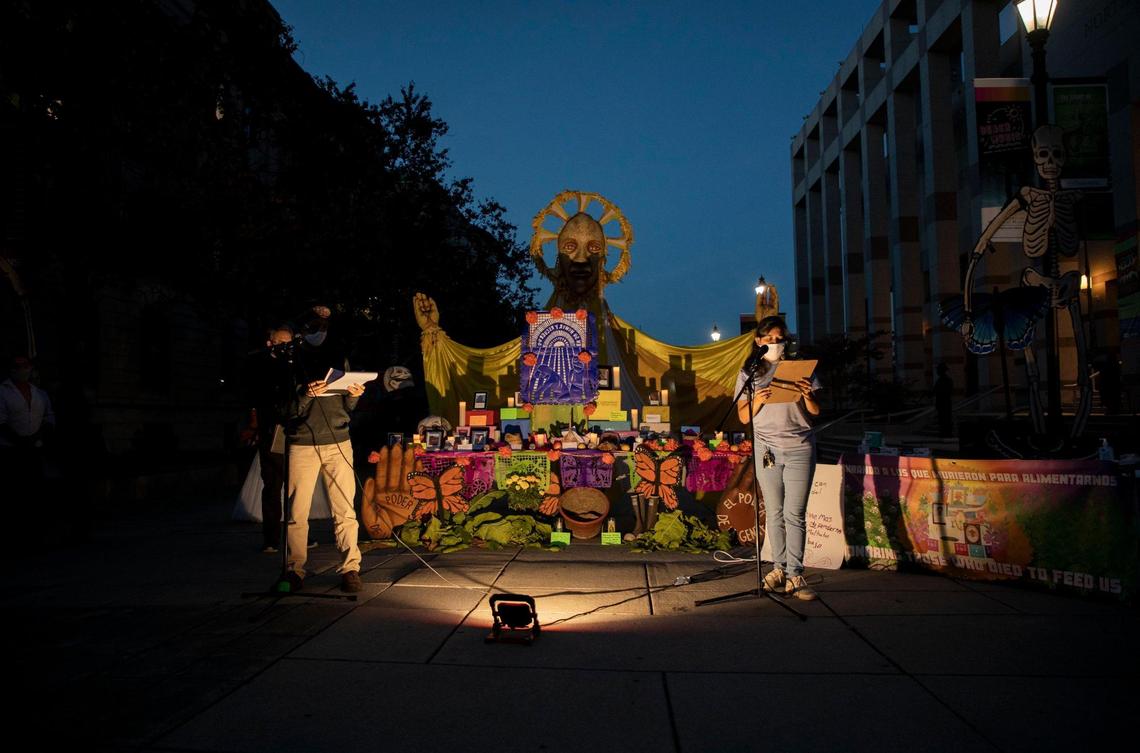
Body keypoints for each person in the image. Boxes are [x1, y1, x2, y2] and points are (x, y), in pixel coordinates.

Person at [735, 317, 821, 601]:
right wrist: (758, 398)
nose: (775, 344)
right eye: (769, 339)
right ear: (758, 341)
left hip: (799, 446)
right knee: (773, 512)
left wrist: (808, 395)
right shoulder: (749, 372)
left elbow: (816, 411)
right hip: (766, 447)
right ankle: (778, 568)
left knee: (794, 513)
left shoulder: (799, 369)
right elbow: (744, 416)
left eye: (779, 339)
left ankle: (796, 574)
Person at [281, 305, 365, 593]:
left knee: (345, 510)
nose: (321, 332)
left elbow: (347, 405)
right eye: (315, 327)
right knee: (296, 512)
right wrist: (306, 395)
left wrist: (354, 395)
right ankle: (294, 570)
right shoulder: (292, 361)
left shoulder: (338, 358)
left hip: (339, 441)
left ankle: (351, 568)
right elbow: (285, 410)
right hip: (302, 444)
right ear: (304, 329)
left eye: (325, 327)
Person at [242, 324, 297, 553]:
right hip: (270, 428)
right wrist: (254, 423)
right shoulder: (259, 364)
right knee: (273, 484)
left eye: (289, 343)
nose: (285, 347)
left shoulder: (295, 364)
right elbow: (252, 395)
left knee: (297, 485)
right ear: (270, 342)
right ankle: (271, 538)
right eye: (280, 343)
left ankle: (297, 536)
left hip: (293, 427)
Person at [0, 355, 55, 487]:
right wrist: (19, 440)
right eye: (17, 367)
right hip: (10, 451)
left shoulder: (40, 394)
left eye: (25, 366)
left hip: (35, 449)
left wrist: (39, 436)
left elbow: (49, 417)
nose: (22, 370)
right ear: (12, 369)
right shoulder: (2, 392)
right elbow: (1, 421)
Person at [934, 362, 953, 437]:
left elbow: (947, 391)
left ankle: (947, 433)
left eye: (938, 370)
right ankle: (944, 432)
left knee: (946, 419)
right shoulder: (940, 380)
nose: (937, 372)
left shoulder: (947, 380)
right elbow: (935, 390)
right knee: (942, 419)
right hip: (941, 403)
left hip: (945, 403)